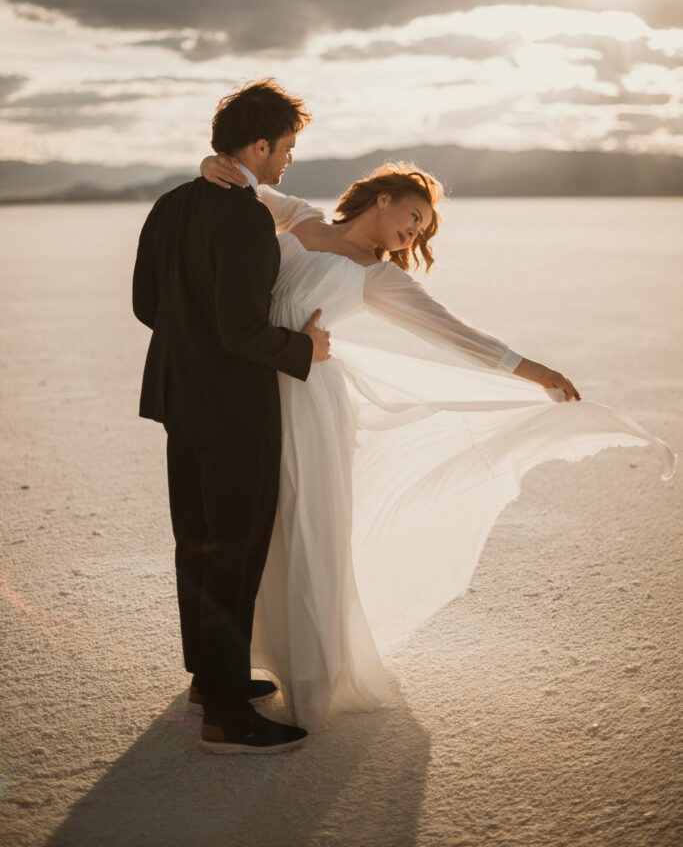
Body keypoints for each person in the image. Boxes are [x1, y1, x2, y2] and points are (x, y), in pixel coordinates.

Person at [199, 149, 675, 733]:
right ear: (384, 197)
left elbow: (457, 334)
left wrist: (537, 372)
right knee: (249, 526)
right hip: (252, 383)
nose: (412, 234)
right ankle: (228, 669)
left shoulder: (379, 277)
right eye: (414, 217)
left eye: (420, 230)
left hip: (308, 400)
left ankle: (305, 672)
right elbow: (240, 188)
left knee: (304, 523)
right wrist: (209, 165)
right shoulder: (299, 217)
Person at [132, 79, 332, 754]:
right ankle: (224, 713)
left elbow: (144, 305)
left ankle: (208, 679)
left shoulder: (170, 203)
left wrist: (189, 339)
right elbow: (243, 332)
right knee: (234, 551)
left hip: (177, 396)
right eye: (287, 148)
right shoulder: (244, 217)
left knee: (198, 541)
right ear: (258, 144)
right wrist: (305, 347)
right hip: (234, 411)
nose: (288, 161)